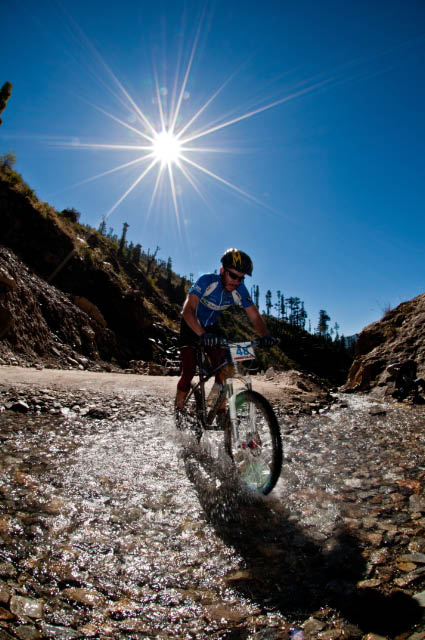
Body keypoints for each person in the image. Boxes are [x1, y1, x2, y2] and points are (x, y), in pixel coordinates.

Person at [176, 248, 275, 410]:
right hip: (191, 324)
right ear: (222, 271)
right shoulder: (207, 281)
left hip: (211, 328)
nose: (236, 281)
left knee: (223, 370)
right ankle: (179, 409)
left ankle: (216, 407)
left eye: (240, 278)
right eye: (233, 275)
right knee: (189, 370)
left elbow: (255, 317)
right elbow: (187, 310)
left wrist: (265, 335)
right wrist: (202, 334)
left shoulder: (239, 291)